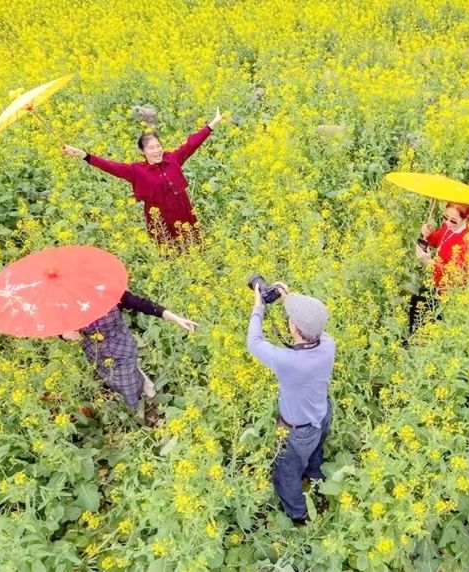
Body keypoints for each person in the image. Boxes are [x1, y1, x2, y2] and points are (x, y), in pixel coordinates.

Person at [246, 282, 336, 524]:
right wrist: (290, 301)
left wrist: (258, 306)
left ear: (293, 327)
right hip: (322, 415)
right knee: (315, 452)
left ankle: (299, 516)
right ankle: (315, 479)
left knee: (285, 474)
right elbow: (313, 327)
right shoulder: (328, 344)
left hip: (297, 431)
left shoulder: (290, 362)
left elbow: (253, 342)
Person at [62, 109, 224, 242]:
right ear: (143, 151)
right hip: (161, 216)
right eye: (151, 148)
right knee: (170, 245)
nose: (156, 151)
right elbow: (110, 166)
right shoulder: (137, 170)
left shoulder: (173, 158)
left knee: (192, 241)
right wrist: (83, 154)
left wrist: (212, 124)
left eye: (158, 146)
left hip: (182, 208)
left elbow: (192, 143)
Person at [61, 290, 196, 414]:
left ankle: (136, 411)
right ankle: (143, 385)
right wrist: (64, 334)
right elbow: (59, 325)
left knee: (128, 386)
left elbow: (143, 304)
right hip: (96, 353)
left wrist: (176, 318)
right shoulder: (67, 305)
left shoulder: (110, 293)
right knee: (113, 380)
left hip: (122, 347)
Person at [408, 201, 469, 334]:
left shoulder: (466, 242)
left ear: (466, 218)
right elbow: (437, 241)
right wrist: (428, 234)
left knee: (432, 324)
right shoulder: (447, 228)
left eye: (453, 221)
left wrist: (429, 262)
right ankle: (411, 341)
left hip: (447, 292)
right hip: (434, 281)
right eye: (445, 217)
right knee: (416, 308)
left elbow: (456, 276)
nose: (448, 223)